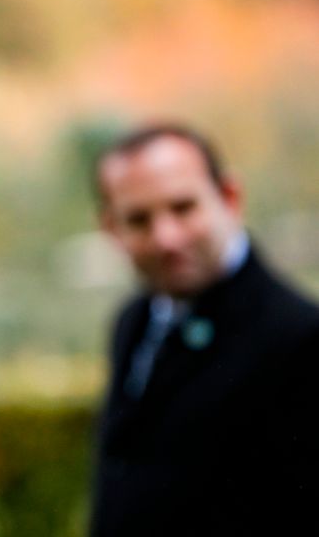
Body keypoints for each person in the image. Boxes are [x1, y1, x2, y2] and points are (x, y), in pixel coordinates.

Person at [90, 123, 319, 536]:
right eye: (139, 219)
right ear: (112, 228)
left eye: (183, 208)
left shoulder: (302, 339)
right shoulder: (133, 321)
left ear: (230, 197)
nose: (166, 238)